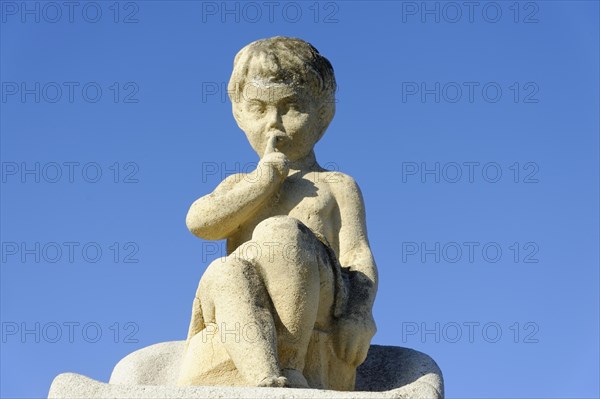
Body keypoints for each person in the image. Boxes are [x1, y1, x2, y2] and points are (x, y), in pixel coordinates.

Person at [177, 36, 377, 391]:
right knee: (223, 270)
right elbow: (200, 222)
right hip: (241, 298)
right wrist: (262, 182)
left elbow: (357, 254)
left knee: (281, 233)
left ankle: (291, 362)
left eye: (291, 107)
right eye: (258, 108)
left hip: (319, 297)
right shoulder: (242, 183)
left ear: (323, 114)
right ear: (239, 114)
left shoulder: (335, 184)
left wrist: (359, 314)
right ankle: (265, 377)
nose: (274, 123)